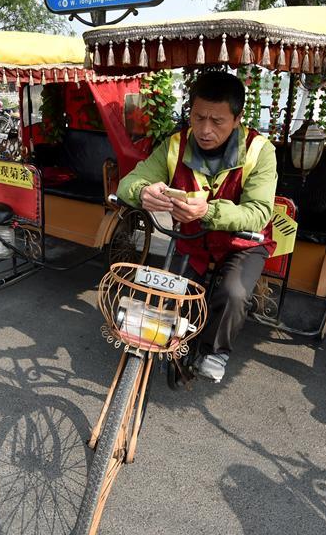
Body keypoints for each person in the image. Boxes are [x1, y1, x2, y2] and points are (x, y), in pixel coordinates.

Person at [117, 71, 278, 382]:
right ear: (189, 111)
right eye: (198, 117)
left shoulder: (260, 151)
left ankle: (216, 351)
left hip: (242, 242)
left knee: (233, 292)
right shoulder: (175, 145)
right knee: (168, 293)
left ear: (237, 118)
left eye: (217, 121)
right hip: (191, 240)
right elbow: (129, 182)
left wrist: (208, 212)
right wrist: (142, 193)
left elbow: (258, 212)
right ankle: (176, 342)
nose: (205, 130)